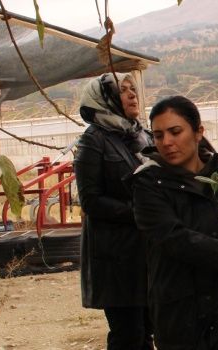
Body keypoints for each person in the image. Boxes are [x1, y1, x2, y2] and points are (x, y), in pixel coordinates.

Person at [127, 95, 218, 349]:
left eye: (175, 132)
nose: (167, 142)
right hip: (178, 308)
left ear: (198, 133)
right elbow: (172, 239)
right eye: (159, 135)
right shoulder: (147, 183)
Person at [74, 72, 153, 349]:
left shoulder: (141, 134)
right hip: (116, 257)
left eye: (134, 89)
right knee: (128, 334)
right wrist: (139, 212)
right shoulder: (92, 140)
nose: (133, 94)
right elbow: (90, 201)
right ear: (104, 97)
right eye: (123, 90)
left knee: (149, 329)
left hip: (146, 251)